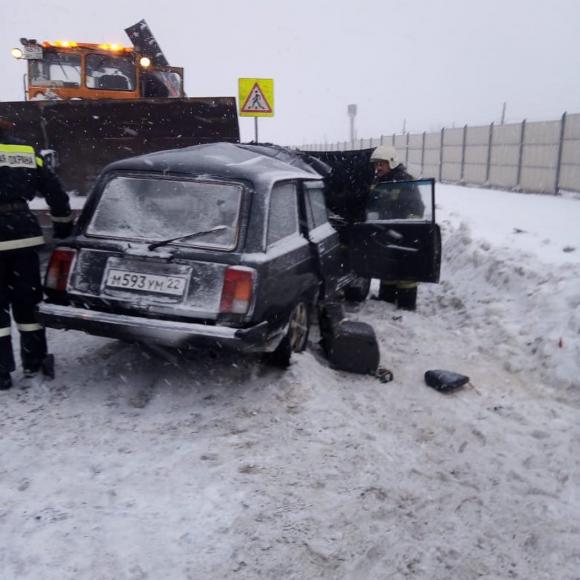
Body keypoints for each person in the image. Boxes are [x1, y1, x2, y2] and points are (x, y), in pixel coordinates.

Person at [0, 116, 74, 390]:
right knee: (27, 303)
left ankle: (1, 374)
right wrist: (63, 227)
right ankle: (35, 363)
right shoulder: (25, 151)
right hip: (22, 236)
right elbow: (54, 191)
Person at [369, 145, 424, 310]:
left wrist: (406, 228)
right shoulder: (378, 182)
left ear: (392, 163)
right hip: (385, 231)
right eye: (376, 164)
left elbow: (417, 208)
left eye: (381, 164)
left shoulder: (405, 181)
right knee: (387, 268)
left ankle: (406, 305)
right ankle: (386, 300)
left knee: (405, 273)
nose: (378, 167)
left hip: (403, 234)